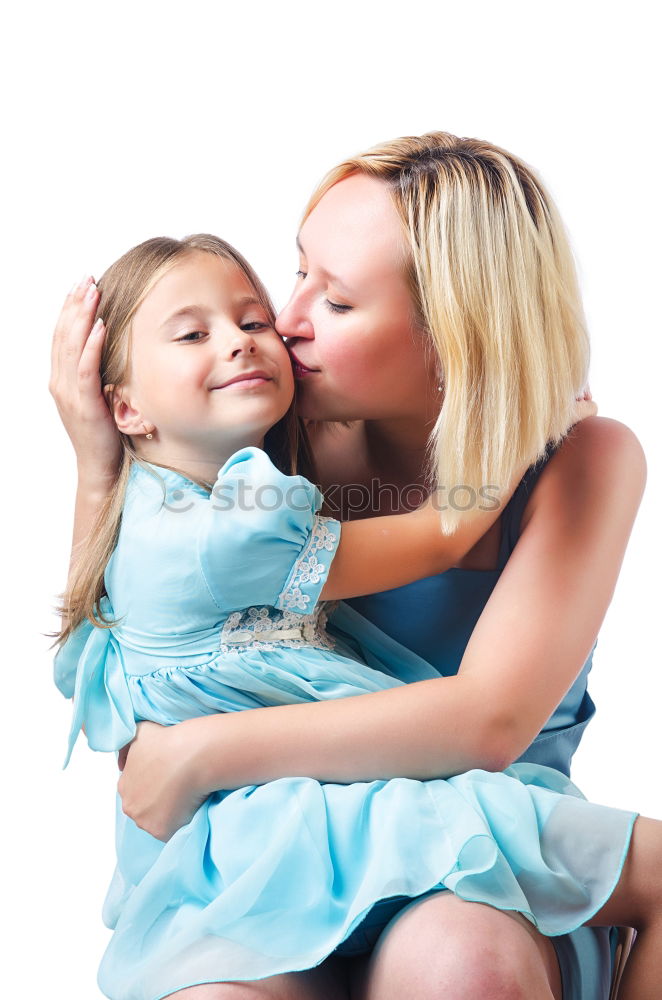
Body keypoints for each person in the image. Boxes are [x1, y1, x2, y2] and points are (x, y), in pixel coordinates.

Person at [48, 133, 658, 1000]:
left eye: (334, 301)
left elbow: (488, 721)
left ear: (456, 332)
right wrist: (100, 463)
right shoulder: (269, 442)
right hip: (290, 854)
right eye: (297, 273)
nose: (285, 320)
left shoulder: (583, 460)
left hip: (488, 859)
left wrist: (203, 753)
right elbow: (140, 621)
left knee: (460, 959)